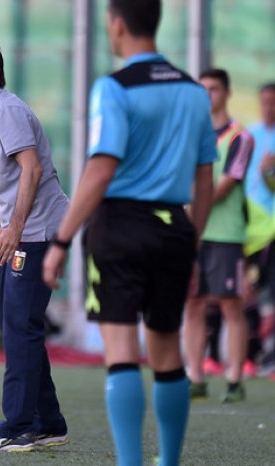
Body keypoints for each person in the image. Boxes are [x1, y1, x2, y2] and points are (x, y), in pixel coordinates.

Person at [43, 1, 215, 465]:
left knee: (121, 351)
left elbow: (101, 168)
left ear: (116, 25)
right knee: (165, 347)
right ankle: (169, 461)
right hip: (175, 228)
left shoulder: (114, 88)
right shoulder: (195, 92)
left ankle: (130, 463)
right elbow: (204, 179)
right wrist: (192, 244)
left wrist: (61, 240)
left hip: (120, 227)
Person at [0, 39, 69, 452]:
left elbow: (32, 168)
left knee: (19, 328)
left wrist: (14, 228)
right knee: (17, 325)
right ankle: (49, 422)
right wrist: (4, 226)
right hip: (21, 230)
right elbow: (4, 178)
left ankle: (17, 426)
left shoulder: (6, 110)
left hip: (36, 231)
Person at [183, 68, 254, 403]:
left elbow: (223, 188)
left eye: (213, 89)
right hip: (193, 235)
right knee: (193, 305)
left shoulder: (241, 137)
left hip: (225, 236)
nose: (207, 95)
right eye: (203, 89)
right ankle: (196, 377)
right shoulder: (191, 134)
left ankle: (235, 379)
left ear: (226, 93)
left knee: (231, 306)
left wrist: (187, 206)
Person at [245, 82, 275, 378]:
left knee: (270, 297)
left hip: (272, 229)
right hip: (250, 229)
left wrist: (269, 172)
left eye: (273, 102)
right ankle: (251, 355)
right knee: (247, 292)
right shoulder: (250, 135)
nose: (269, 107)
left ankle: (268, 356)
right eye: (265, 101)